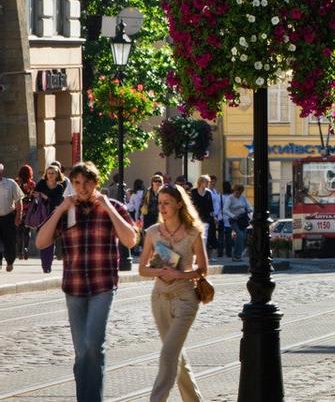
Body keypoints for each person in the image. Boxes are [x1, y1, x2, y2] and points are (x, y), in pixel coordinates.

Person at [35, 162, 139, 402]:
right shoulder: (67, 210)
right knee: (82, 352)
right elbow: (41, 242)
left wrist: (108, 208)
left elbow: (131, 240)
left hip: (103, 285)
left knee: (93, 344)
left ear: (96, 183)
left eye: (88, 183)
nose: (82, 188)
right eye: (78, 183)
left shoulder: (114, 207)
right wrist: (60, 209)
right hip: (74, 287)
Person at [138, 184, 208, 402]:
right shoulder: (152, 233)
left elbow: (203, 269)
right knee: (175, 354)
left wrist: (179, 275)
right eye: (160, 203)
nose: (162, 207)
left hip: (186, 299)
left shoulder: (193, 233)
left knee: (168, 354)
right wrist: (160, 271)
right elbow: (142, 269)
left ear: (179, 204)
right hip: (159, 298)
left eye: (167, 202)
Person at [34, 165, 67, 273]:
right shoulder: (41, 184)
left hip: (53, 216)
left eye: (53, 173)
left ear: (57, 174)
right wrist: (35, 195)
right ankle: (45, 264)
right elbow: (33, 194)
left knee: (50, 240)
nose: (51, 175)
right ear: (46, 174)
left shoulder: (59, 187)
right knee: (43, 239)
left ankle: (48, 264)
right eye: (49, 173)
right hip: (41, 216)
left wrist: (45, 197)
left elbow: (57, 202)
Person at [0, 163, 23, 271]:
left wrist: (19, 215)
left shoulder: (10, 183)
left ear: (2, 171)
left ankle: (10, 261)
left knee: (10, 241)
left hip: (8, 217)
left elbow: (18, 200)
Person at [223, 184, 251, 261]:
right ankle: (236, 255)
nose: (238, 194)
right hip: (234, 220)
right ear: (234, 191)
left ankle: (238, 255)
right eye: (237, 192)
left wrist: (250, 209)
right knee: (240, 235)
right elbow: (225, 210)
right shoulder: (230, 198)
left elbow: (248, 207)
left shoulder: (243, 198)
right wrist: (232, 215)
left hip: (243, 219)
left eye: (240, 192)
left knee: (243, 237)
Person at [15, 164, 36, 261]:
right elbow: (33, 196)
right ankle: (26, 248)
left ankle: (19, 252)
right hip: (28, 210)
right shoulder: (32, 184)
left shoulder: (16, 182)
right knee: (27, 231)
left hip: (19, 208)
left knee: (19, 231)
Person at [189, 175, 215, 246]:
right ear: (201, 182)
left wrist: (213, 217)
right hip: (195, 218)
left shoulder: (208, 193)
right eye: (206, 182)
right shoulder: (193, 192)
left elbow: (211, 206)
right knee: (194, 236)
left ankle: (203, 254)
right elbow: (190, 205)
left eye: (208, 182)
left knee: (204, 237)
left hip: (206, 217)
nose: (208, 184)